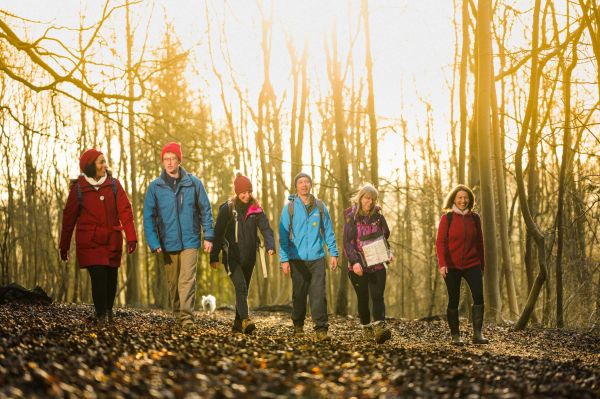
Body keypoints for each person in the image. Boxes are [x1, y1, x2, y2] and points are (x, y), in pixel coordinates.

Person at [59, 149, 137, 325]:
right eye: (101, 162)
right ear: (90, 166)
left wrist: (131, 237)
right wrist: (63, 246)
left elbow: (126, 212)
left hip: (112, 239)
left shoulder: (114, 185)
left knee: (111, 277)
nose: (105, 165)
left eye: (105, 161)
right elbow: (68, 218)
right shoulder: (79, 189)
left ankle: (108, 312)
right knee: (98, 276)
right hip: (90, 242)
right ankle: (101, 314)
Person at [143, 142, 214, 330]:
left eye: (173, 158)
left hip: (190, 239)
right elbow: (148, 217)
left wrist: (208, 236)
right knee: (173, 282)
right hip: (167, 241)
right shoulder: (155, 187)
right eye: (166, 159)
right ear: (162, 161)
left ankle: (186, 317)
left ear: (179, 160)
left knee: (187, 279)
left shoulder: (194, 183)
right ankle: (177, 313)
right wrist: (153, 241)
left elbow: (205, 210)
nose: (169, 162)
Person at [210, 172, 276, 334]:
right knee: (240, 286)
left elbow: (266, 228)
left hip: (249, 257)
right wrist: (214, 255)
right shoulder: (228, 209)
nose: (246, 195)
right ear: (237, 192)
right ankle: (246, 320)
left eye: (249, 192)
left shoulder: (256, 210)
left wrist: (270, 245)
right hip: (231, 257)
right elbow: (218, 233)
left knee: (243, 289)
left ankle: (237, 324)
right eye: (243, 192)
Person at [279, 172, 339, 341]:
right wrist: (284, 259)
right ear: (296, 186)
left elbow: (328, 231)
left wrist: (333, 253)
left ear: (311, 185)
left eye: (307, 182)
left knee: (318, 294)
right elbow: (283, 235)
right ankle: (298, 326)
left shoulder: (320, 206)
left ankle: (321, 329)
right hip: (296, 259)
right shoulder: (289, 208)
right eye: (300, 182)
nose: (304, 185)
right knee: (299, 294)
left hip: (317, 258)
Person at [435, 184, 489, 345]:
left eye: (465, 198)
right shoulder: (448, 218)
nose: (463, 200)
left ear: (469, 200)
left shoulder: (475, 218)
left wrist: (482, 265)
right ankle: (455, 336)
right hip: (451, 266)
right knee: (454, 299)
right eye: (459, 197)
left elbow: (480, 242)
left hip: (473, 263)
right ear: (454, 199)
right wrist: (442, 264)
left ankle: (477, 334)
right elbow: (440, 242)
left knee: (479, 297)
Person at [343, 183, 392, 344]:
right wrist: (354, 262)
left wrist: (388, 253)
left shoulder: (378, 216)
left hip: (377, 263)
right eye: (366, 198)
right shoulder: (351, 216)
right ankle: (366, 327)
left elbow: (384, 236)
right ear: (361, 197)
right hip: (358, 265)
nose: (369, 202)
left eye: (372, 199)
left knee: (378, 296)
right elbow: (347, 243)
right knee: (363, 298)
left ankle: (380, 327)